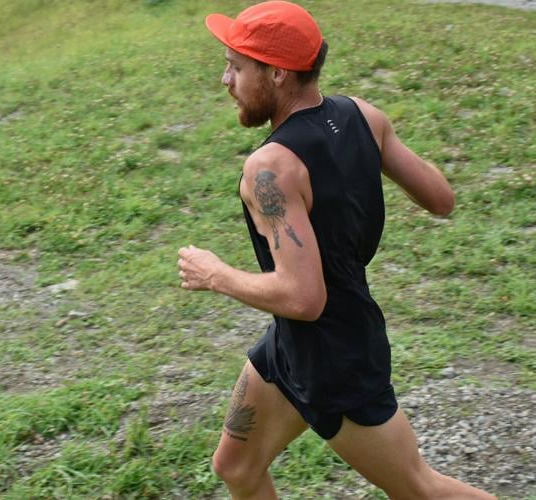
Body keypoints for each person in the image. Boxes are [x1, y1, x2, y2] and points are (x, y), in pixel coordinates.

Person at [176, 2, 495, 499]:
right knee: (236, 466)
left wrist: (214, 273)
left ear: (277, 73)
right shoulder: (362, 115)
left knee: (419, 489)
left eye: (236, 67)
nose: (226, 80)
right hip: (291, 347)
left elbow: (305, 297)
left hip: (337, 359)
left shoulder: (270, 170)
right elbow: (441, 198)